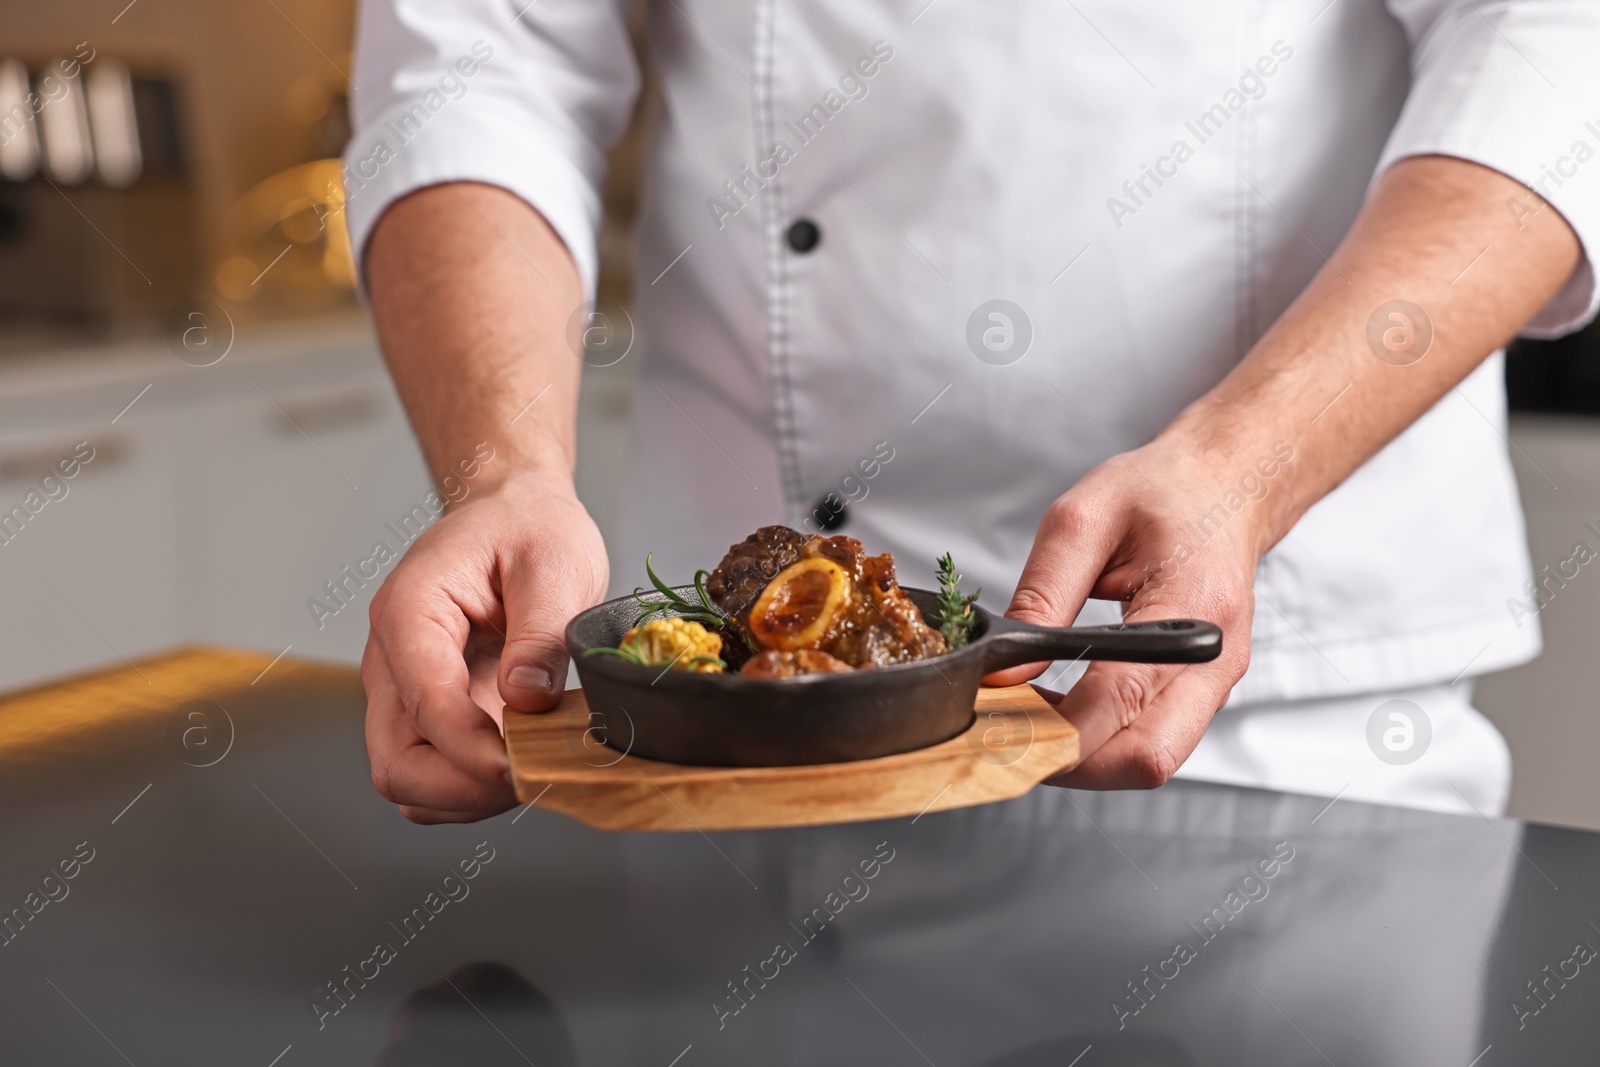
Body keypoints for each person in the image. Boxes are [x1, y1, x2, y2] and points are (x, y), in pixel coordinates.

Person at [345, 0, 1597, 824]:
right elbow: (481, 59)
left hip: (1259, 723)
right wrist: (500, 470)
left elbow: (1554, 49)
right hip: (731, 748)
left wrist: (1243, 467)